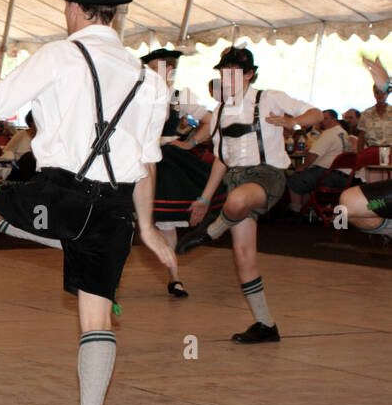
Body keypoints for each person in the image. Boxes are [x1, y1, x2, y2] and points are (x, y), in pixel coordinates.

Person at [0, 0, 172, 405]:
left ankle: (62, 239)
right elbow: (147, 162)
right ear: (112, 15)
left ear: (76, 9)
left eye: (66, 2)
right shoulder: (149, 79)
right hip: (116, 206)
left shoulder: (59, 55)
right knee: (95, 315)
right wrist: (148, 230)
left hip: (56, 198)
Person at [176, 46, 322, 342]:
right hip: (236, 178)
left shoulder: (269, 98)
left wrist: (290, 122)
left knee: (237, 201)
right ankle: (266, 325)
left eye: (231, 72)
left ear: (248, 75)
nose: (225, 78)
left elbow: (316, 114)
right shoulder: (219, 112)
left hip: (267, 176)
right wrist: (204, 200)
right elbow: (221, 159)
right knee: (243, 256)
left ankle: (212, 233)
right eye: (222, 72)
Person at [141, 47, 220, 298]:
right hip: (138, 158)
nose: (151, 73)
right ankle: (110, 281)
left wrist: (189, 142)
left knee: (166, 223)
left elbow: (210, 121)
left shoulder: (179, 96)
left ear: (170, 71)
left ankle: (175, 277)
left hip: (166, 158)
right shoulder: (137, 94)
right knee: (123, 218)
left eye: (156, 69)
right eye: (149, 69)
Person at [287, 109, 351, 211]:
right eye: (322, 119)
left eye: (326, 118)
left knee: (295, 179)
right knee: (307, 180)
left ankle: (296, 211)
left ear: (334, 119)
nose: (322, 121)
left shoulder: (329, 133)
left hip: (328, 175)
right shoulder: (343, 133)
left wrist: (302, 167)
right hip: (345, 177)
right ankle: (307, 209)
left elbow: (313, 155)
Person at [356, 57, 392, 149]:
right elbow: (361, 137)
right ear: (374, 94)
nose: (380, 95)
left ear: (387, 94)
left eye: (382, 92)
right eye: (377, 92)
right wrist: (359, 156)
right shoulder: (366, 114)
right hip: (372, 150)